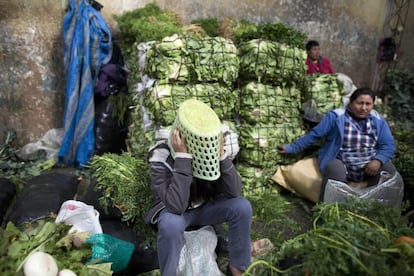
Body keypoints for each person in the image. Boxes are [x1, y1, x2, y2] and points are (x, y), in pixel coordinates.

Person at [144, 99, 252, 276]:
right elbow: (175, 207)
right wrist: (182, 158)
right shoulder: (161, 156)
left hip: (203, 209)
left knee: (242, 207)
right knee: (171, 224)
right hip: (175, 212)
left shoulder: (211, 153)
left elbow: (234, 192)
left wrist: (222, 157)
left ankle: (237, 269)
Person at [278, 87, 396, 201]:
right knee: (336, 172)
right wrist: (291, 148)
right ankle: (325, 207)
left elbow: (388, 145)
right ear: (351, 102)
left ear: (373, 105)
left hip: (367, 163)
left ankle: (371, 204)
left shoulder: (378, 120)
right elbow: (315, 134)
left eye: (368, 104)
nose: (363, 108)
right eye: (359, 103)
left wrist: (378, 160)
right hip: (339, 158)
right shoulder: (336, 116)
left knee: (388, 169)